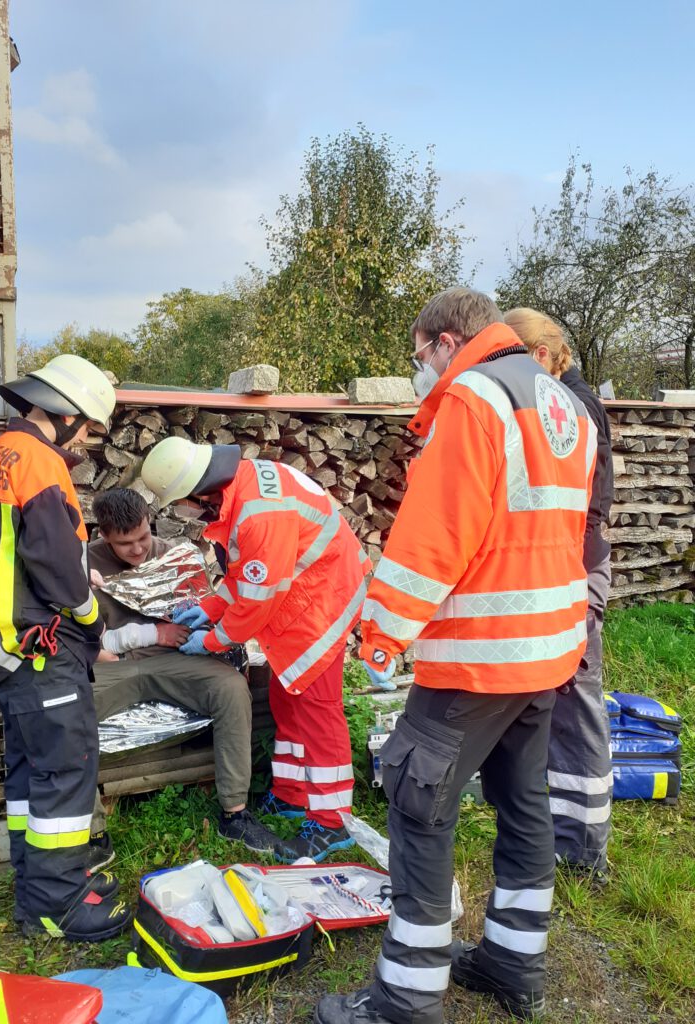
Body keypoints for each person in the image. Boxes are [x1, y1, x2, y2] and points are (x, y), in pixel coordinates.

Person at [315, 288, 597, 1024]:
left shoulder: (475, 397)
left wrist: (381, 635)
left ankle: (407, 999)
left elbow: (434, 537)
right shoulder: (562, 401)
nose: (420, 372)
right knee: (524, 803)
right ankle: (512, 964)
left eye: (419, 356)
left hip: (480, 656)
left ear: (446, 342)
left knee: (418, 808)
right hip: (547, 650)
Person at [0, 354, 131, 942]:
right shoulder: (41, 462)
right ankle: (58, 907)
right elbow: (57, 567)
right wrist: (93, 619)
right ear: (64, 413)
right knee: (65, 771)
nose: (85, 439)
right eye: (87, 427)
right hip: (40, 648)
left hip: (2, 649)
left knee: (30, 775)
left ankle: (38, 886)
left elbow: (21, 551)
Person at [141, 440, 371, 863]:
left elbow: (258, 597)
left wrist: (213, 639)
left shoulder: (259, 514)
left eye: (182, 505)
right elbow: (248, 573)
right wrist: (210, 607)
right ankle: (292, 794)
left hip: (323, 599)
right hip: (304, 591)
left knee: (318, 710)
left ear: (200, 493)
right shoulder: (242, 490)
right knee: (287, 695)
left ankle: (332, 821)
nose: (183, 514)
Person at [85, 487, 281, 859]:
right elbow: (74, 634)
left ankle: (235, 813)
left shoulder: (175, 556)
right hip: (111, 664)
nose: (138, 549)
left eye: (143, 537)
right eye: (125, 544)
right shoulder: (82, 564)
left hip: (171, 661)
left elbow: (207, 615)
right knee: (65, 710)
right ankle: (91, 835)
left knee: (230, 688)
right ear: (104, 535)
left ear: (149, 522)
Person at [504, 308, 614, 877]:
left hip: (576, 569)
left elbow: (587, 507)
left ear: (541, 355)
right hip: (566, 566)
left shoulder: (574, 406)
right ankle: (566, 835)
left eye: (514, 360)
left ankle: (585, 851)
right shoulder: (563, 398)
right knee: (561, 702)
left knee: (575, 704)